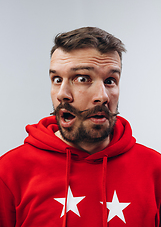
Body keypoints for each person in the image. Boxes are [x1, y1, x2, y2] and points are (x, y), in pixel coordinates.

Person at [0, 27, 161, 227]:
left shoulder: (155, 169)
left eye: (110, 80)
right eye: (57, 79)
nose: (62, 94)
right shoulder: (8, 172)